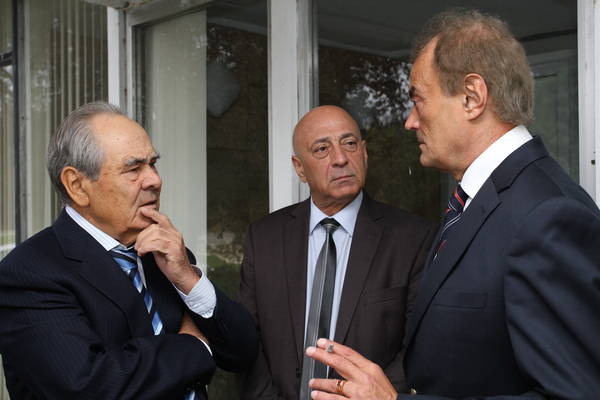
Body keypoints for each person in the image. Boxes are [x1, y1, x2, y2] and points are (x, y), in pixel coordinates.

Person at [305, 9, 600, 400]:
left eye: (418, 99)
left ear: (471, 97)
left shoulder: (548, 216)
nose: (410, 121)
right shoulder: (475, 202)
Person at [0, 102, 258, 399]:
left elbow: (242, 352)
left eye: (153, 164)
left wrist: (188, 279)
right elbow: (90, 387)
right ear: (77, 185)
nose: (155, 180)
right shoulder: (29, 274)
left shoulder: (165, 255)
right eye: (134, 169)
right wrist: (195, 345)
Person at [238, 105, 435, 399]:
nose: (341, 158)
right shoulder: (264, 238)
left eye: (350, 144)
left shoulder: (412, 238)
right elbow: (248, 344)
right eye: (322, 149)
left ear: (364, 153)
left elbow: (419, 346)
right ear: (299, 168)